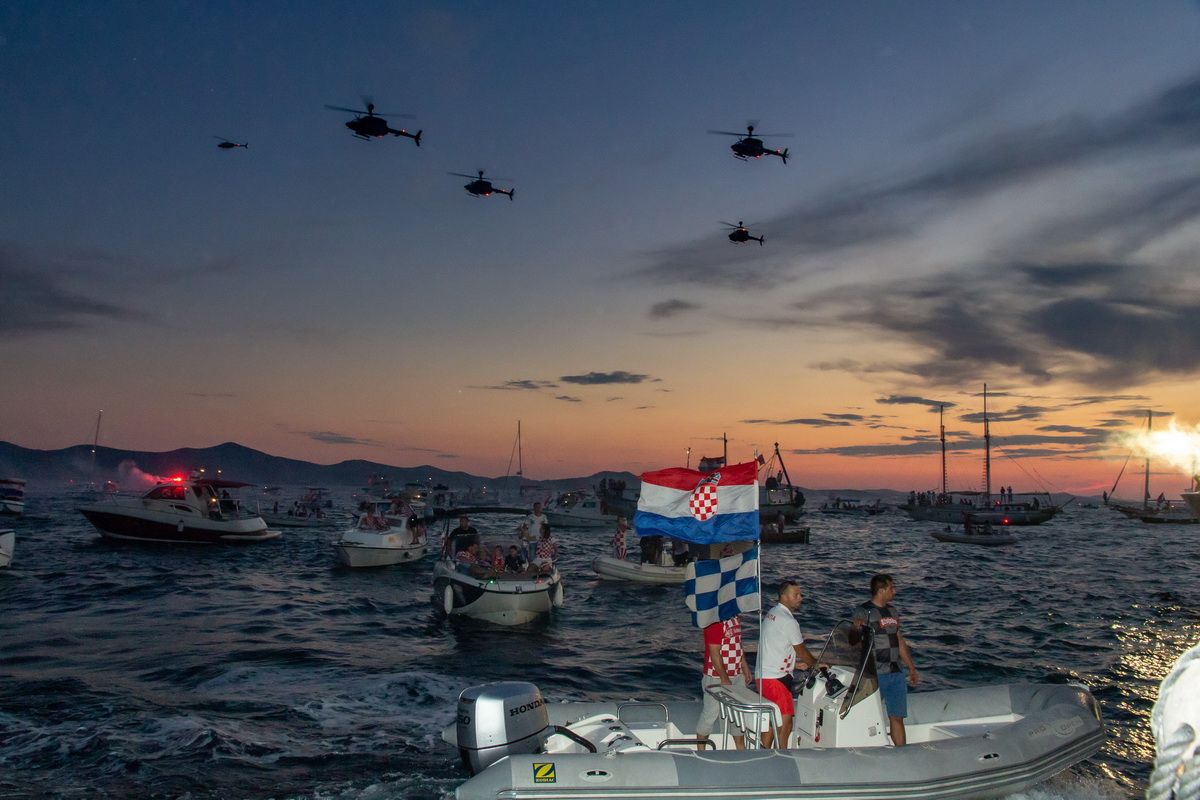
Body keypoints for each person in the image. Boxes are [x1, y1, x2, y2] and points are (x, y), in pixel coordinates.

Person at [852, 573, 918, 746]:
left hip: (896, 672)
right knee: (867, 716)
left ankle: (901, 752)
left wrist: (911, 668)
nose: (894, 592)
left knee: (897, 717)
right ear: (881, 590)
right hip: (876, 673)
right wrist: (856, 626)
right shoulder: (863, 610)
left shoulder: (893, 612)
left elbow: (899, 640)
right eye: (891, 588)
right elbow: (853, 636)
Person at [756, 580, 819, 748]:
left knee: (771, 724)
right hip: (776, 680)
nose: (800, 598)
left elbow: (776, 645)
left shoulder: (772, 613)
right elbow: (802, 651)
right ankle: (782, 759)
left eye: (800, 594)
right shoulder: (789, 621)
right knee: (785, 725)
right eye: (796, 595)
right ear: (784, 597)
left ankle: (763, 756)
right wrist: (816, 665)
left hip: (764, 677)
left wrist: (794, 665)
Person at [696, 615, 751, 749]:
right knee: (711, 713)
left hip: (736, 674)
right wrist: (724, 678)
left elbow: (738, 644)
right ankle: (701, 749)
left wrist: (745, 667)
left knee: (738, 714)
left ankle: (740, 748)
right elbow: (714, 653)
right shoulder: (714, 621)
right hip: (716, 676)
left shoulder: (735, 618)